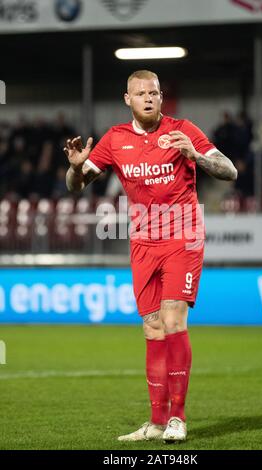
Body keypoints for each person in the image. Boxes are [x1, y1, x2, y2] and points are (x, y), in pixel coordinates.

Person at [64, 70, 237, 442]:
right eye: (140, 93)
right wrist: (76, 167)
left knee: (174, 318)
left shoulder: (183, 130)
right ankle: (156, 422)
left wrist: (196, 155)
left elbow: (229, 170)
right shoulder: (115, 139)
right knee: (153, 326)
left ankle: (178, 418)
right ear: (127, 98)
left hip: (183, 235)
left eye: (154, 93)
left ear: (161, 97)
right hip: (142, 239)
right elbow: (76, 186)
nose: (148, 98)